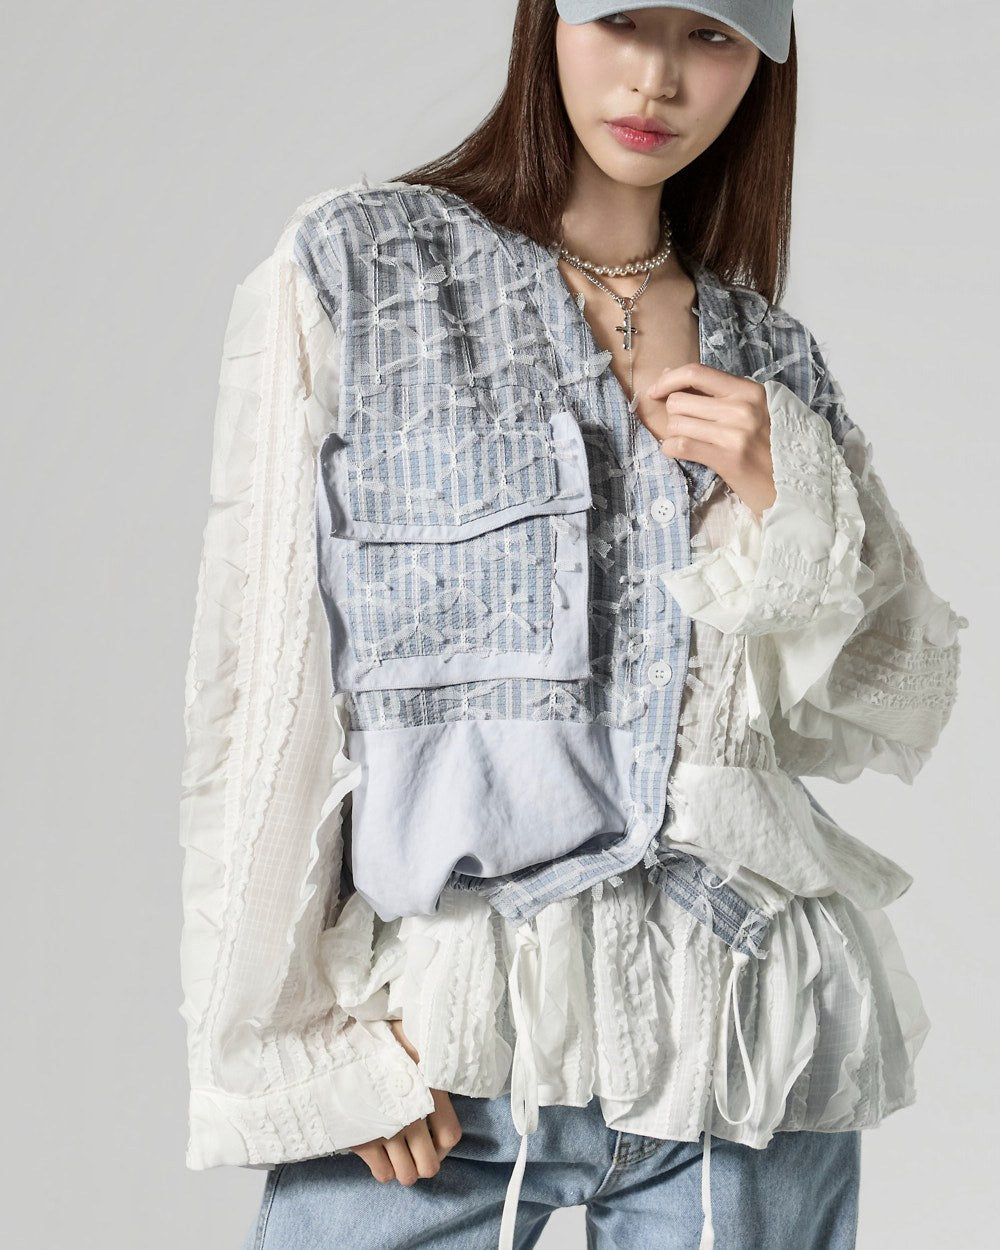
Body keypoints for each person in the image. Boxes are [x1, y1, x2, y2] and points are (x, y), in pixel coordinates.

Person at [178, 4, 968, 1248]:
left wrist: (792, 493)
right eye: (621, 19)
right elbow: (261, 684)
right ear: (546, 19)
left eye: (711, 36)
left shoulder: (773, 356)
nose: (657, 77)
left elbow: (888, 696)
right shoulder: (366, 269)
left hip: (741, 1046)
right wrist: (297, 1044)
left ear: (764, 62)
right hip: (445, 1049)